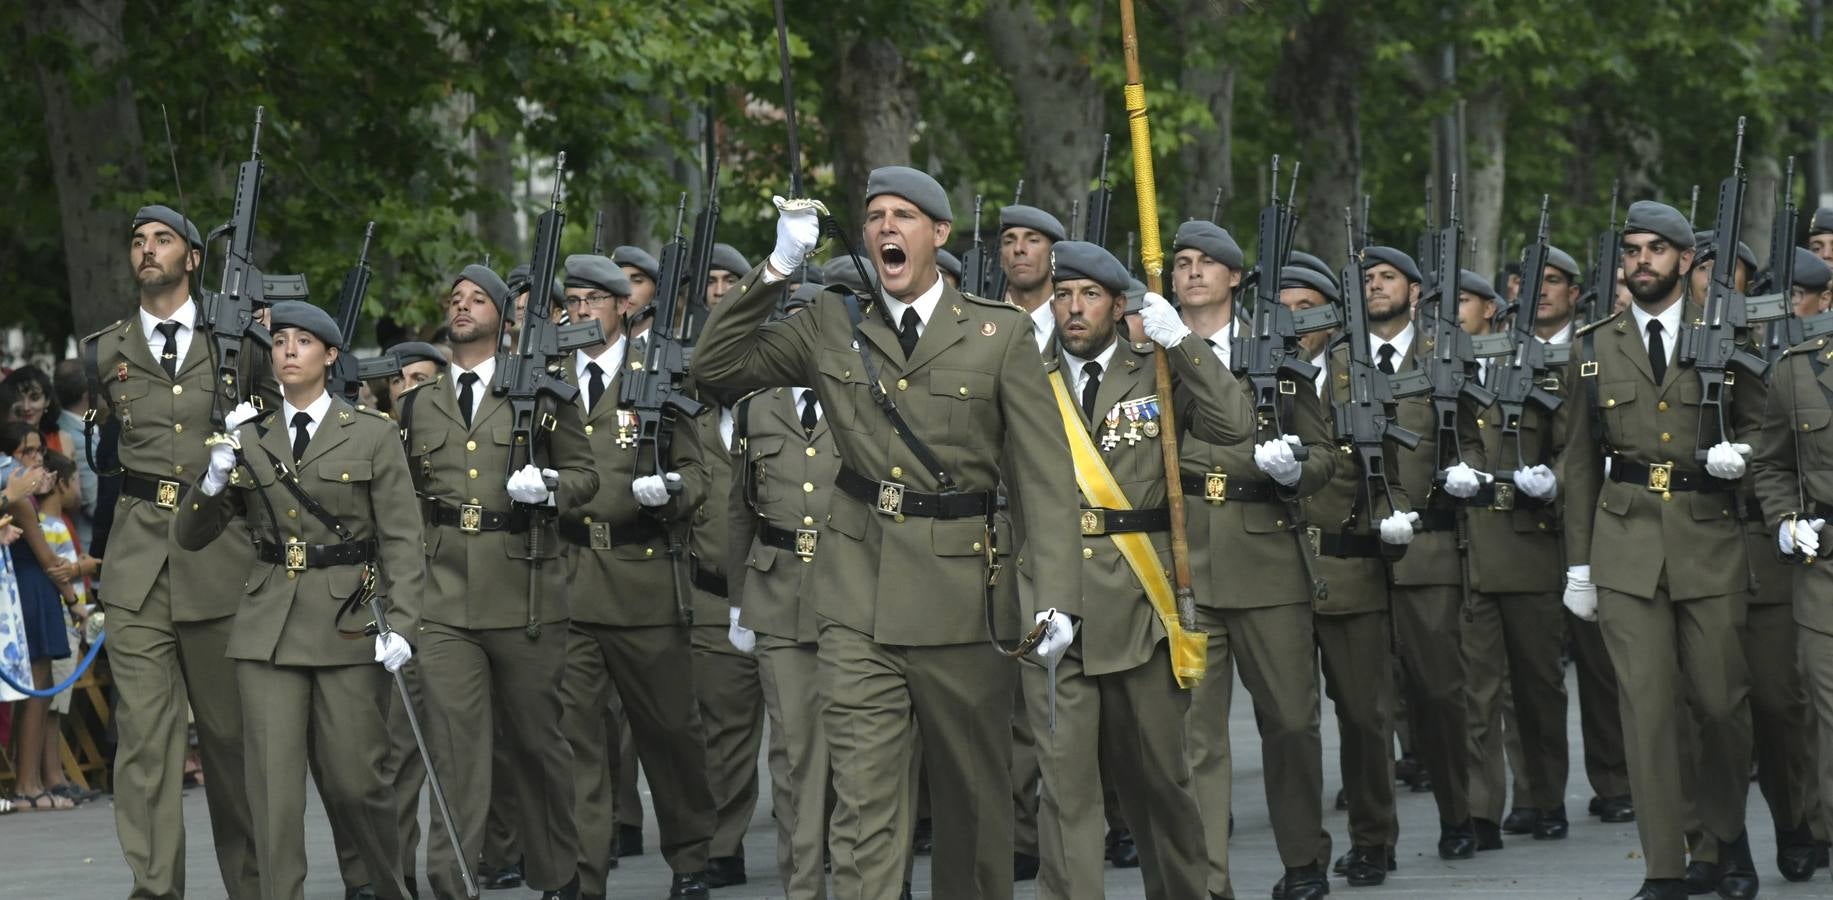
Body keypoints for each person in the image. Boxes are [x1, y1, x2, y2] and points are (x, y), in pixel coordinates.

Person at [691, 166, 1084, 900]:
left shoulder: (997, 335)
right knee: (865, 805)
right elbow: (712, 368)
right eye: (873, 217)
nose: (885, 229)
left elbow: (1043, 476)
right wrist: (777, 267)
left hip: (964, 598)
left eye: (904, 215)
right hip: (853, 594)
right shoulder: (828, 324)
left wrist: (1054, 593)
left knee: (970, 808)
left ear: (937, 234)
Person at [172, 300, 423, 900]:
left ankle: (386, 887)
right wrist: (211, 481)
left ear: (330, 356)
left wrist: (405, 625)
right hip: (269, 624)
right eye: (279, 340)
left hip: (348, 621)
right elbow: (191, 535)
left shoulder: (372, 433)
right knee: (271, 788)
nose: (287, 350)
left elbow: (402, 540)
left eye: (302, 342)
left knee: (358, 781)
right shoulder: (247, 435)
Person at [1027, 240, 1253, 900]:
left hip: (1141, 608)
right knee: (1065, 791)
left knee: (1162, 781)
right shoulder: (1020, 372)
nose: (1073, 307)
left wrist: (1181, 343)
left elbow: (1233, 425)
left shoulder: (1152, 369)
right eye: (1062, 294)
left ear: (1117, 305)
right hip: (1054, 603)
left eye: (1088, 295)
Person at [1561, 200, 1760, 900]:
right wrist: (1578, 563)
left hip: (1708, 537)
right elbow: (1578, 460)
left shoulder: (1728, 335)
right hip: (1624, 543)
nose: (1639, 261)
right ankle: (1667, 865)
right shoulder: (1592, 344)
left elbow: (1767, 428)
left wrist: (1742, 454)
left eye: (1654, 250)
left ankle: (1724, 837)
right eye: (1631, 251)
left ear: (1684, 259)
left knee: (1717, 705)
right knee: (1645, 711)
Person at [396, 263, 597, 900]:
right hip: (445, 597)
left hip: (525, 589)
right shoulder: (418, 404)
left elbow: (587, 475)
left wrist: (552, 487)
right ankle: (452, 882)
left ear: (505, 317)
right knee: (455, 751)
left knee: (538, 745)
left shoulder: (540, 392)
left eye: (477, 298)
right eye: (455, 298)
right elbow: (401, 501)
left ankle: (559, 876)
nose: (462, 306)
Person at [81, 203, 263, 900]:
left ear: (192, 258)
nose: (147, 250)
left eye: (162, 240)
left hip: (220, 552)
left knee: (230, 740)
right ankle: (155, 888)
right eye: (137, 241)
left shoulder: (237, 343)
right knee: (145, 744)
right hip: (136, 564)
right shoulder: (105, 350)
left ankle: (252, 884)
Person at [550, 253, 717, 900]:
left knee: (669, 731)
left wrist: (671, 491)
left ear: (626, 307)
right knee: (576, 741)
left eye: (595, 299)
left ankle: (690, 857)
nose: (582, 310)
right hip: (569, 577)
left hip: (644, 579)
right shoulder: (546, 377)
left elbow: (699, 473)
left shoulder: (660, 375)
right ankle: (582, 873)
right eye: (573, 300)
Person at [1452, 266, 1571, 849]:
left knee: (1537, 686)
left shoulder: (1537, 370)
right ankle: (1481, 810)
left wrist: (1554, 481)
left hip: (1527, 541)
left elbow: (1571, 443)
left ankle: (1544, 796)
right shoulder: (1444, 371)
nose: (1456, 315)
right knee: (1476, 690)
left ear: (1492, 313)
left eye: (1468, 304)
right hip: (1470, 542)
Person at [722, 298, 837, 899]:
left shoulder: (861, 397)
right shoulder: (754, 409)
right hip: (778, 592)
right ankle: (805, 886)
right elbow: (740, 509)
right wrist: (739, 601)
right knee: (794, 756)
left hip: (852, 592)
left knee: (864, 755)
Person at [4, 422, 75, 812]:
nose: (35, 458)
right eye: (25, 451)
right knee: (34, 689)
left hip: (32, 590)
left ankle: (29, 780)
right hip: (29, 589)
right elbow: (47, 557)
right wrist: (74, 599)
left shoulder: (26, 494)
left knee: (38, 689)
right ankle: (27, 784)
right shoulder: (16, 494)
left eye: (37, 450)